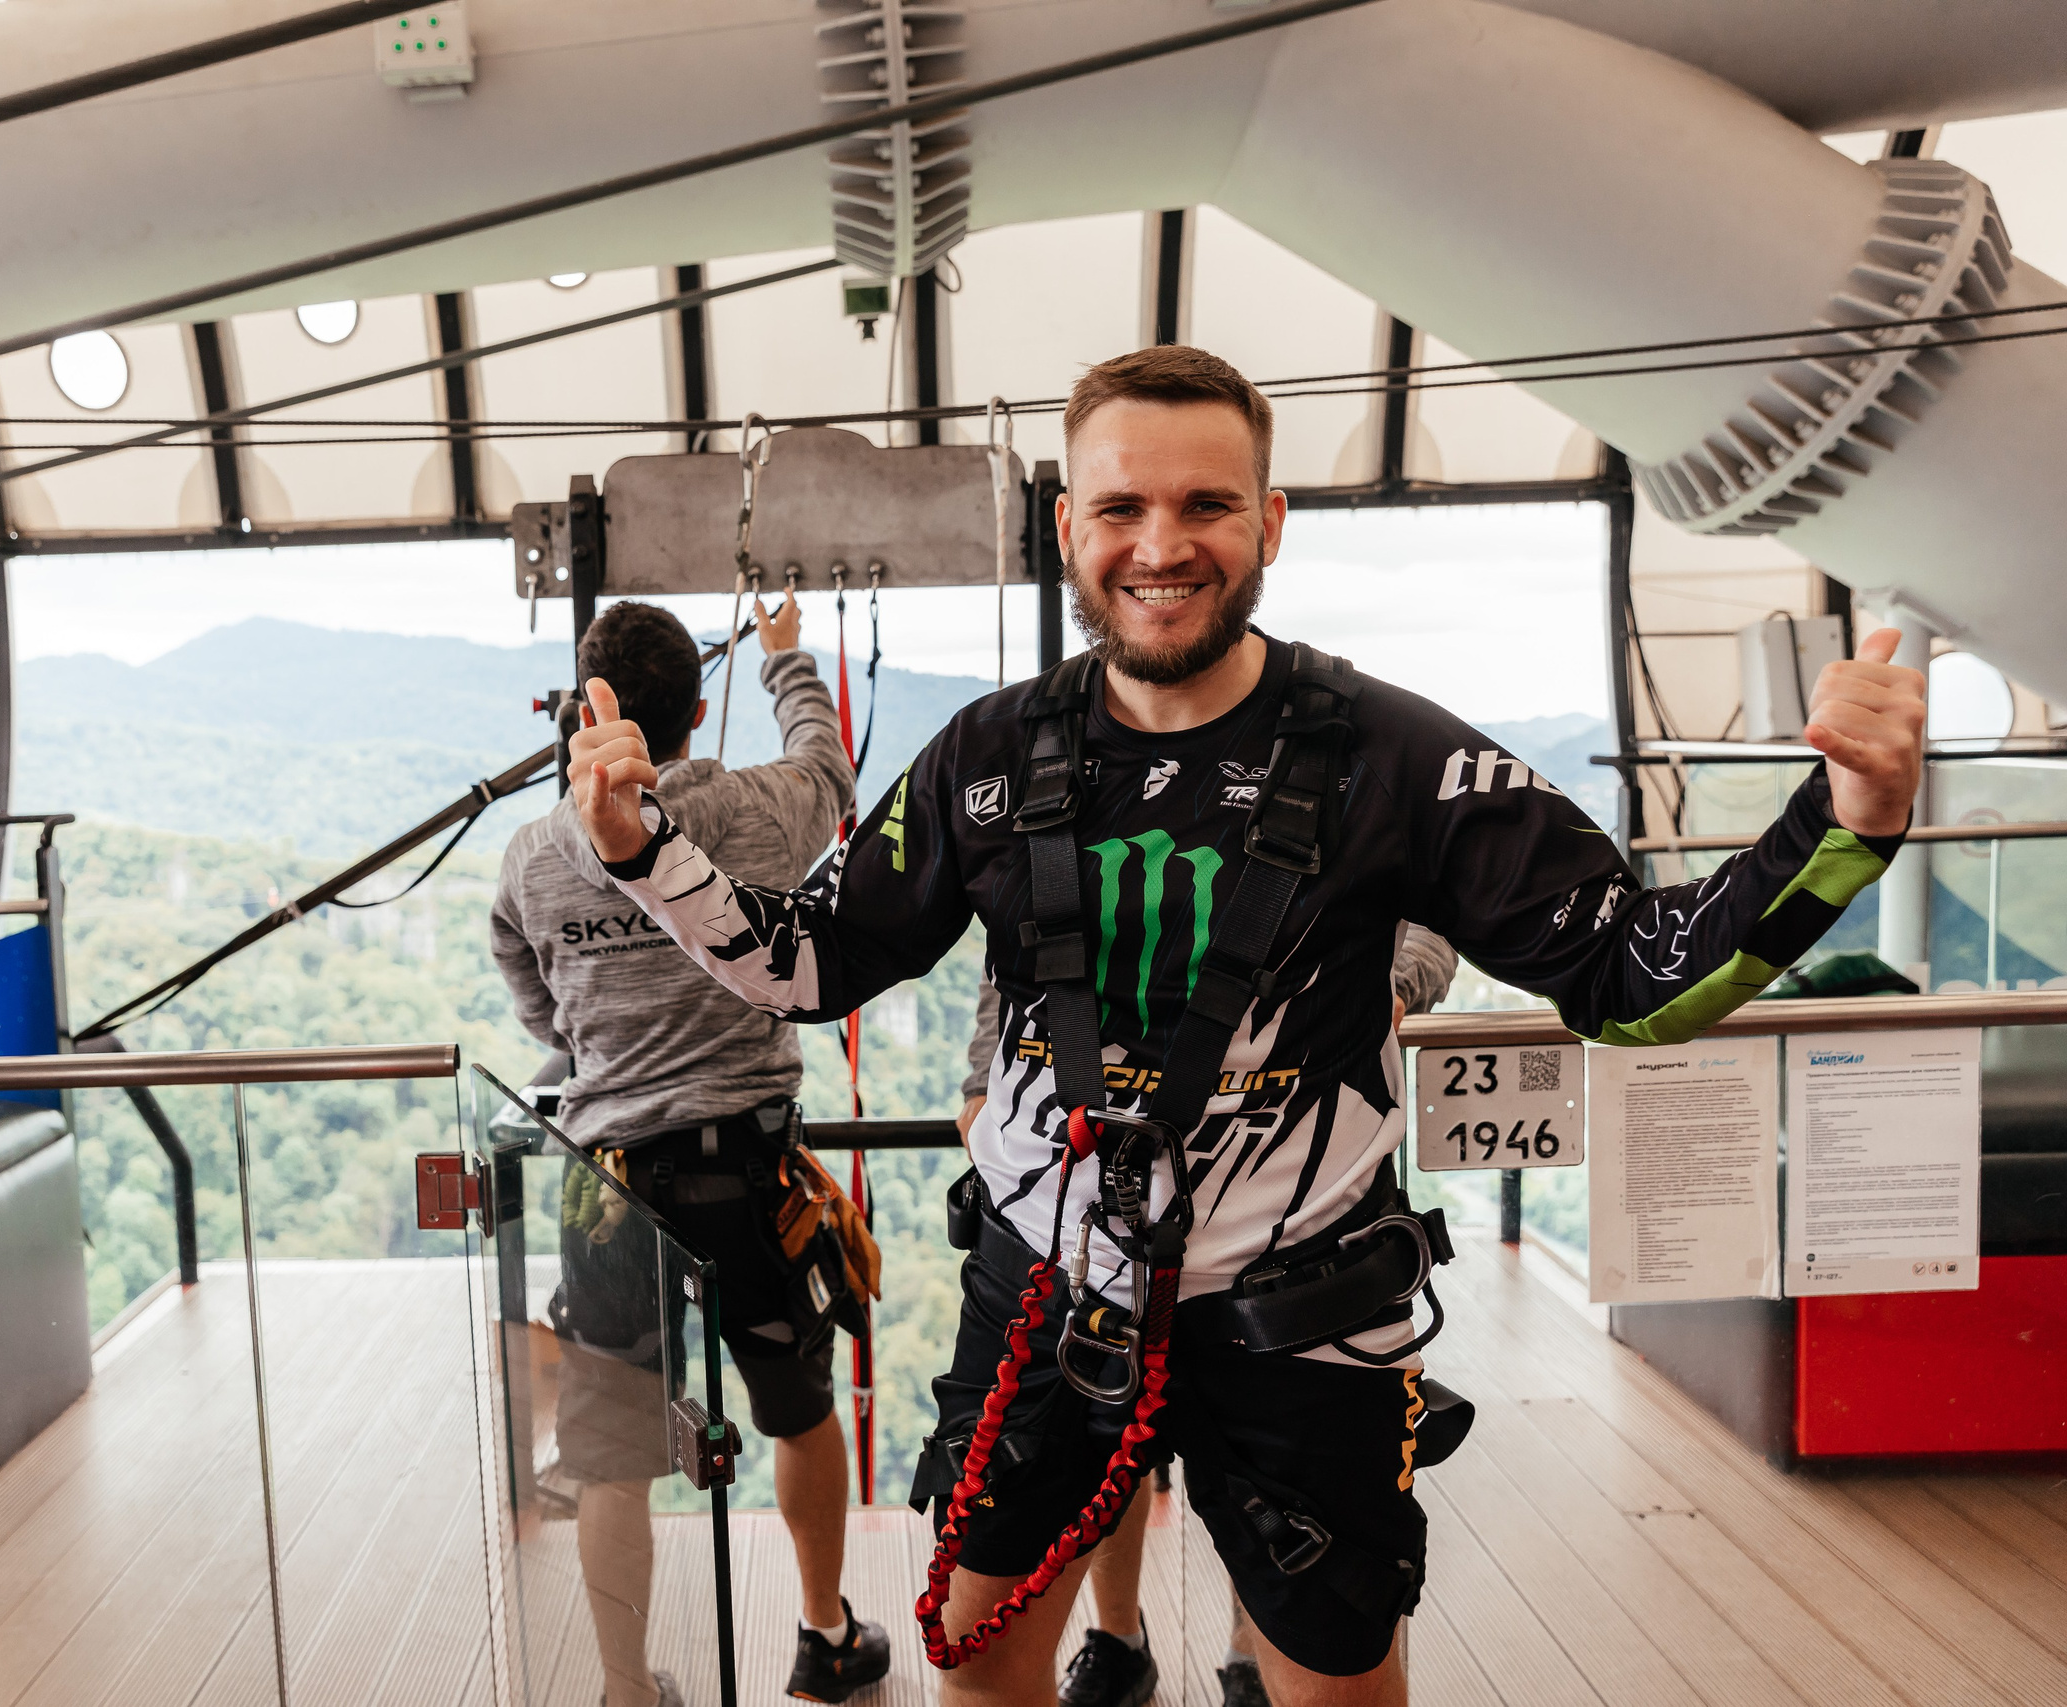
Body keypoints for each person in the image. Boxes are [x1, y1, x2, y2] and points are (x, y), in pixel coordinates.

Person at [564, 345, 1924, 1707]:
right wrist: (641, 850)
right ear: (1068, 529)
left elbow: (1633, 973)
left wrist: (1844, 823)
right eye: (1121, 508)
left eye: (1207, 505)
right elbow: (817, 960)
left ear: (1270, 521)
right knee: (979, 1654)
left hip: (1302, 1314)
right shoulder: (985, 758)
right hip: (1048, 1288)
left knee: (1334, 1679)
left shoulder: (1399, 761)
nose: (1162, 545)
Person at [490, 594, 892, 1707]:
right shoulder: (762, 811)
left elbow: (535, 1004)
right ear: (697, 710)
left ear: (587, 709)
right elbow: (830, 764)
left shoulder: (533, 854)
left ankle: (627, 1686)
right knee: (797, 1405)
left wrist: (598, 1028)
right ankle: (823, 1635)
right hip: (748, 1174)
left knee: (613, 1450)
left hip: (607, 1188)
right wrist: (786, 658)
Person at [957, 928, 1458, 1707]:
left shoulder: (1367, 801)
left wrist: (1387, 980)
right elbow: (1030, 917)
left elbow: (1423, 893)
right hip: (1093, 1193)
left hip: (1286, 1189)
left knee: (1264, 1486)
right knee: (1099, 1438)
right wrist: (990, 1063)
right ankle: (1117, 1636)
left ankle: (1250, 1651)